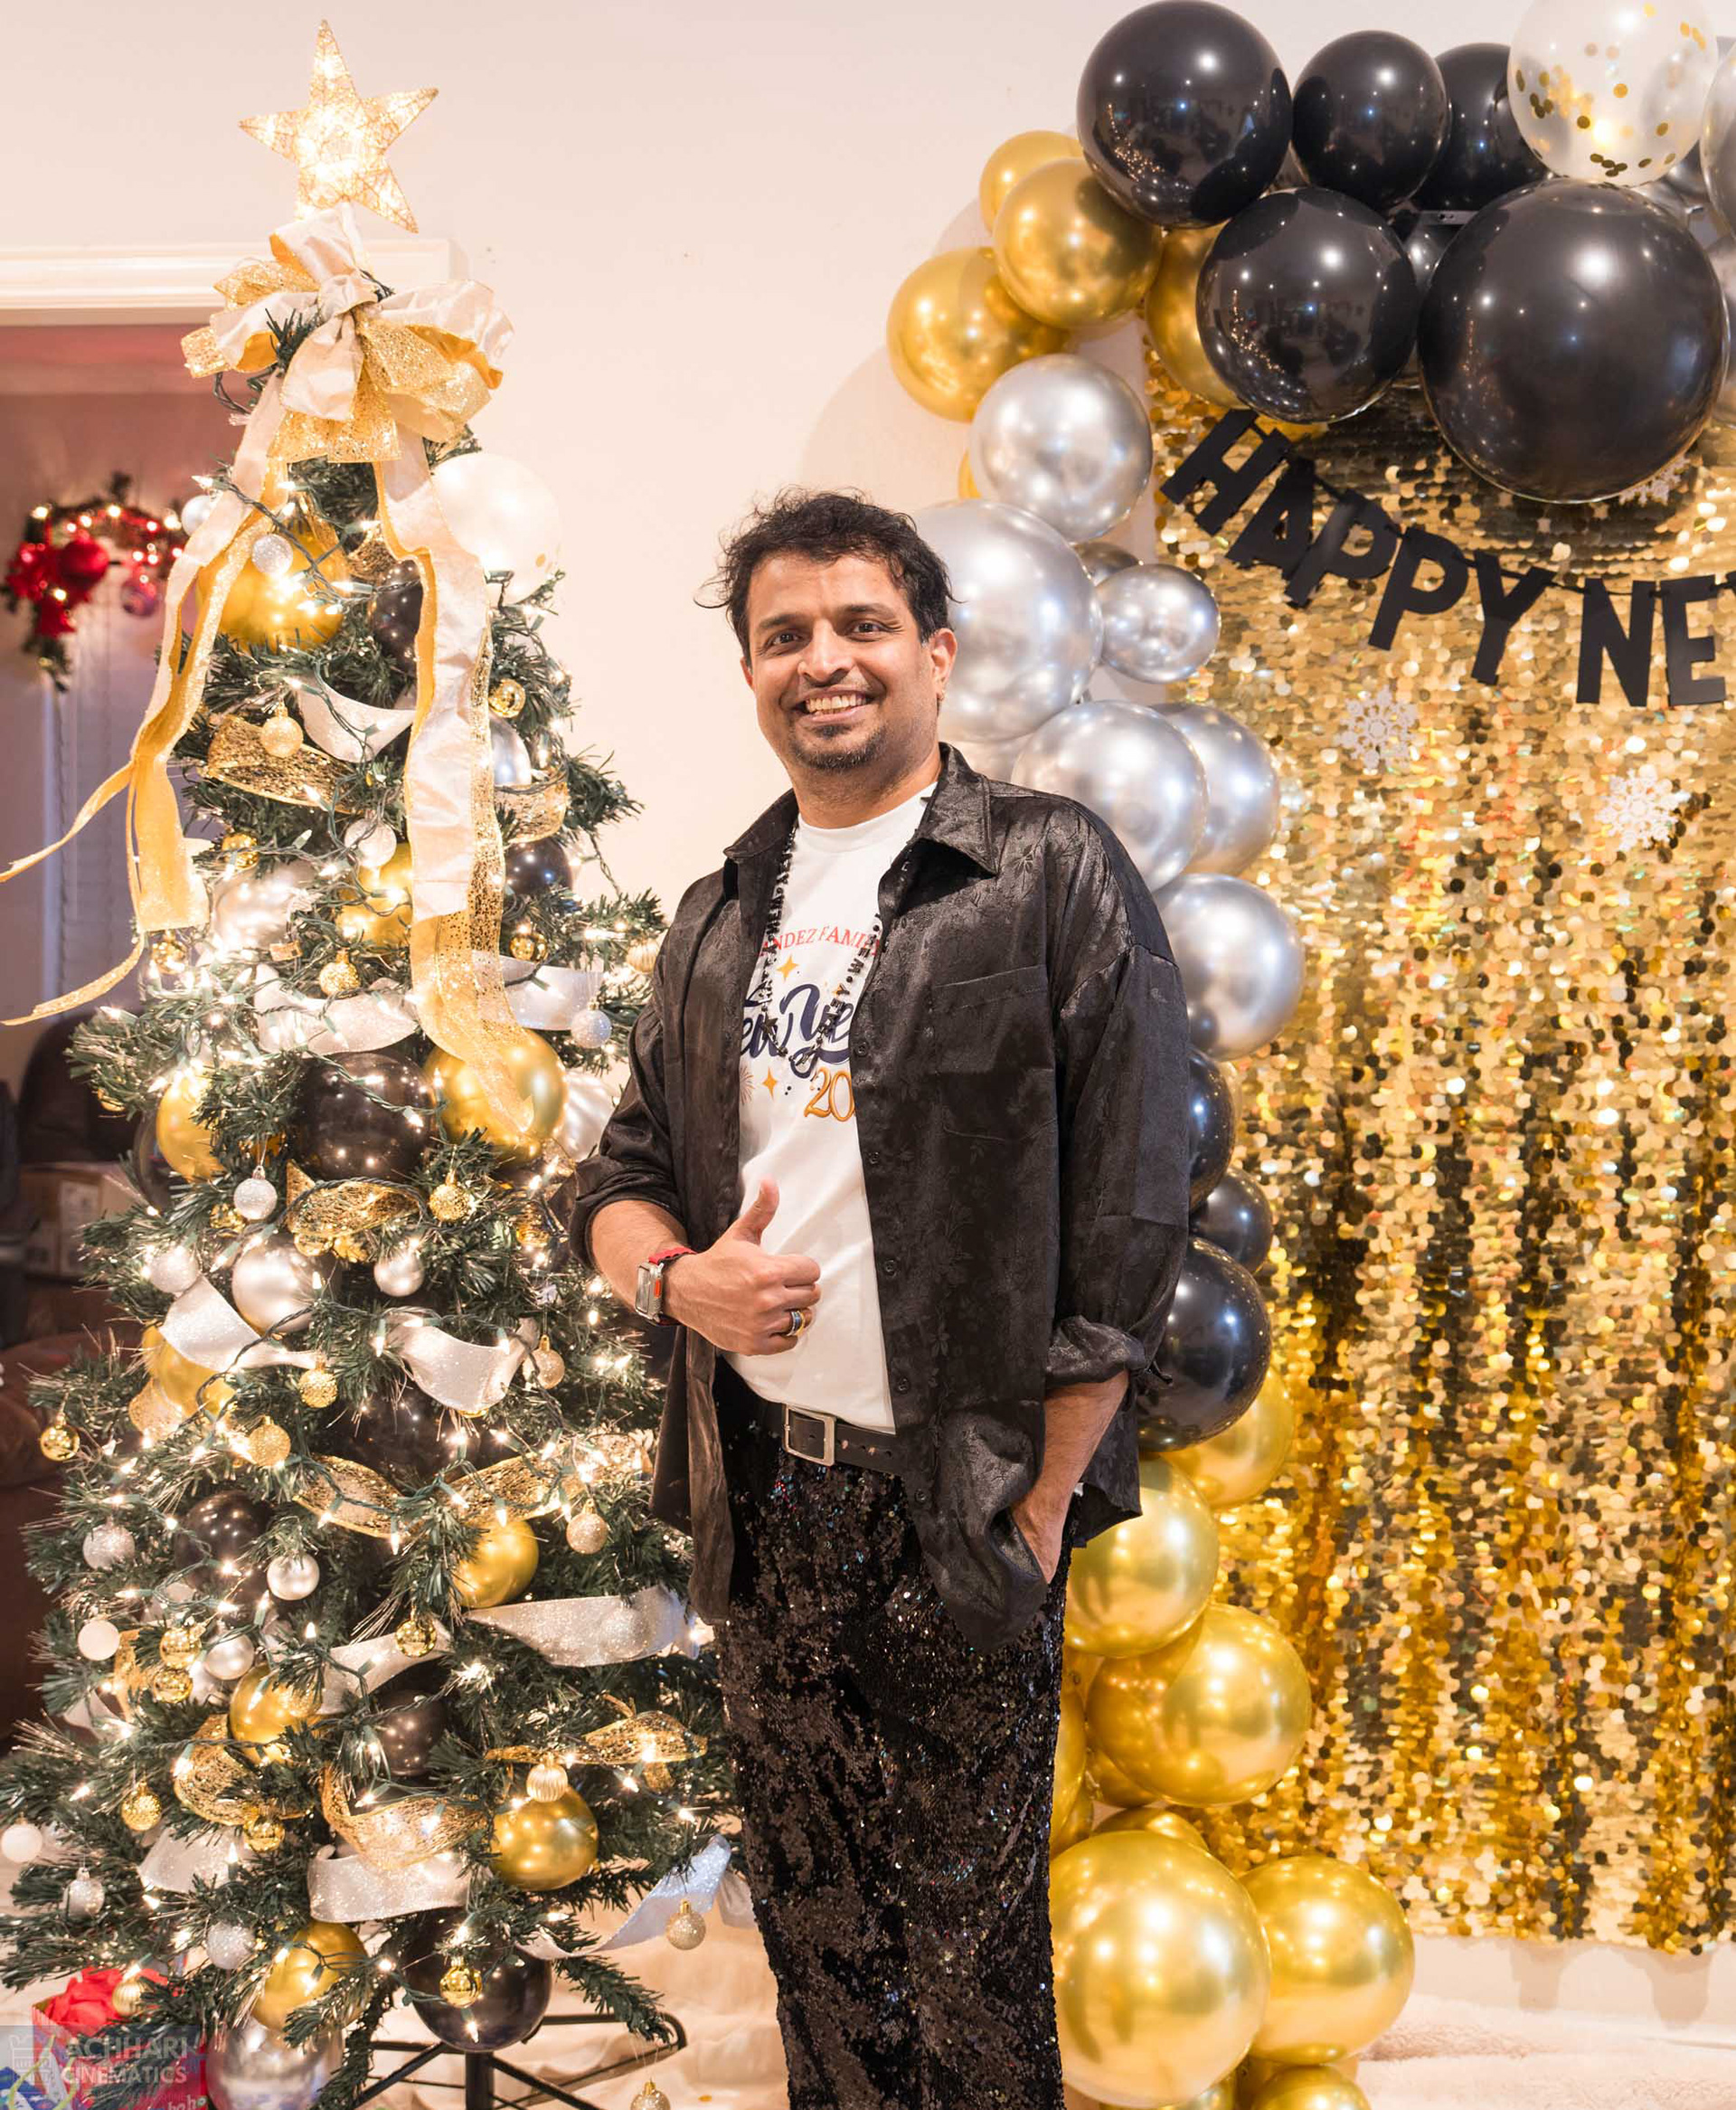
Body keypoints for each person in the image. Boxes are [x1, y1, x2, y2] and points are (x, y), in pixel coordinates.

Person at [570, 488, 1191, 2110]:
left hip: (965, 1492)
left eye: (862, 624)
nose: (824, 660)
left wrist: (1043, 1491)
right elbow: (617, 1177)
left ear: (938, 651)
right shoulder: (720, 912)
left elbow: (1134, 1194)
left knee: (971, 1962)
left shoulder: (1044, 868)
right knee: (819, 1933)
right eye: (786, 634)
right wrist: (677, 1281)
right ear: (751, 673)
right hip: (767, 1494)